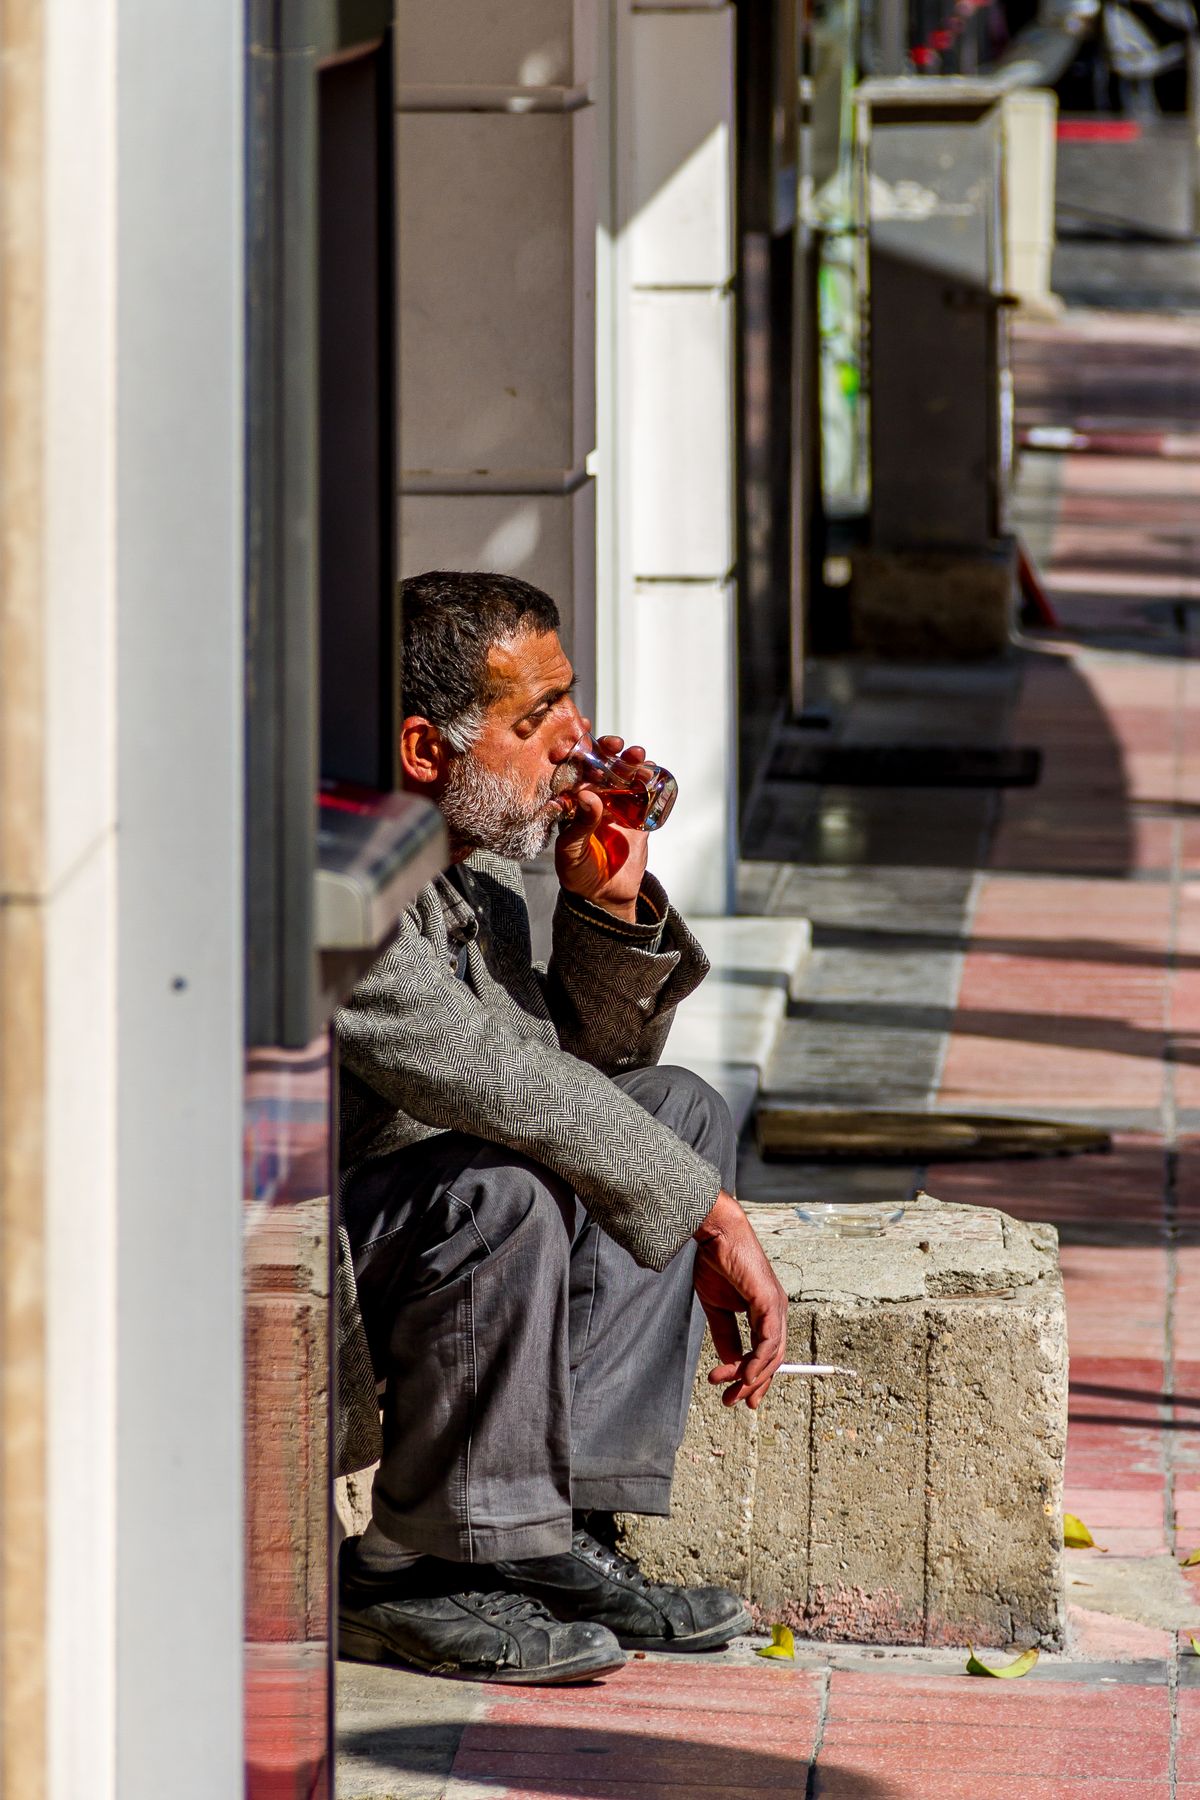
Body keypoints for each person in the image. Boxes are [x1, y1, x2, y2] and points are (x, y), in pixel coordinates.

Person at [336, 570, 788, 1684]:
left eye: (567, 701)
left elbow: (579, 1077)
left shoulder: (475, 872)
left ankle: (556, 1533)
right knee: (502, 1195)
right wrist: (708, 1212)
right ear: (425, 749)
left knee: (676, 1112)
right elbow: (491, 1079)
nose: (577, 741)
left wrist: (608, 903)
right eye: (536, 718)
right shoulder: (335, 881)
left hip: (428, 1225)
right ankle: (407, 1571)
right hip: (312, 1248)